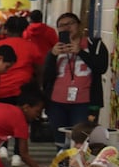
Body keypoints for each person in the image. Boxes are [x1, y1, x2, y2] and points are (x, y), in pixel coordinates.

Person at [42, 13, 109, 149]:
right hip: (57, 102)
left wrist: (80, 52)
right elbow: (46, 76)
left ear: (79, 26)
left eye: (70, 23)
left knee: (80, 141)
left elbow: (101, 68)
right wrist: (52, 56)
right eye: (62, 25)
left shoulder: (94, 45)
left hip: (84, 103)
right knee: (60, 141)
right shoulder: (56, 49)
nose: (66, 28)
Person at [0, 15, 45, 166]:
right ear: (24, 30)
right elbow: (39, 68)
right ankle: (18, 155)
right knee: (22, 122)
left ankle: (2, 148)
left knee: (1, 121)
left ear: (6, 29)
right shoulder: (30, 46)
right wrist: (37, 86)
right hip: (22, 90)